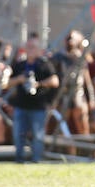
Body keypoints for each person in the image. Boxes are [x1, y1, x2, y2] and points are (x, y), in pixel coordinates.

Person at [6, 34, 59, 163]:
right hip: (21, 106)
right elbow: (6, 83)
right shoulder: (20, 65)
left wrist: (38, 84)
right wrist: (19, 79)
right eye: (28, 46)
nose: (30, 49)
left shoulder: (44, 64)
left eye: (33, 47)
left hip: (38, 107)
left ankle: (36, 160)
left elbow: (55, 80)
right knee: (18, 135)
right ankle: (19, 159)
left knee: (38, 136)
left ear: (39, 49)